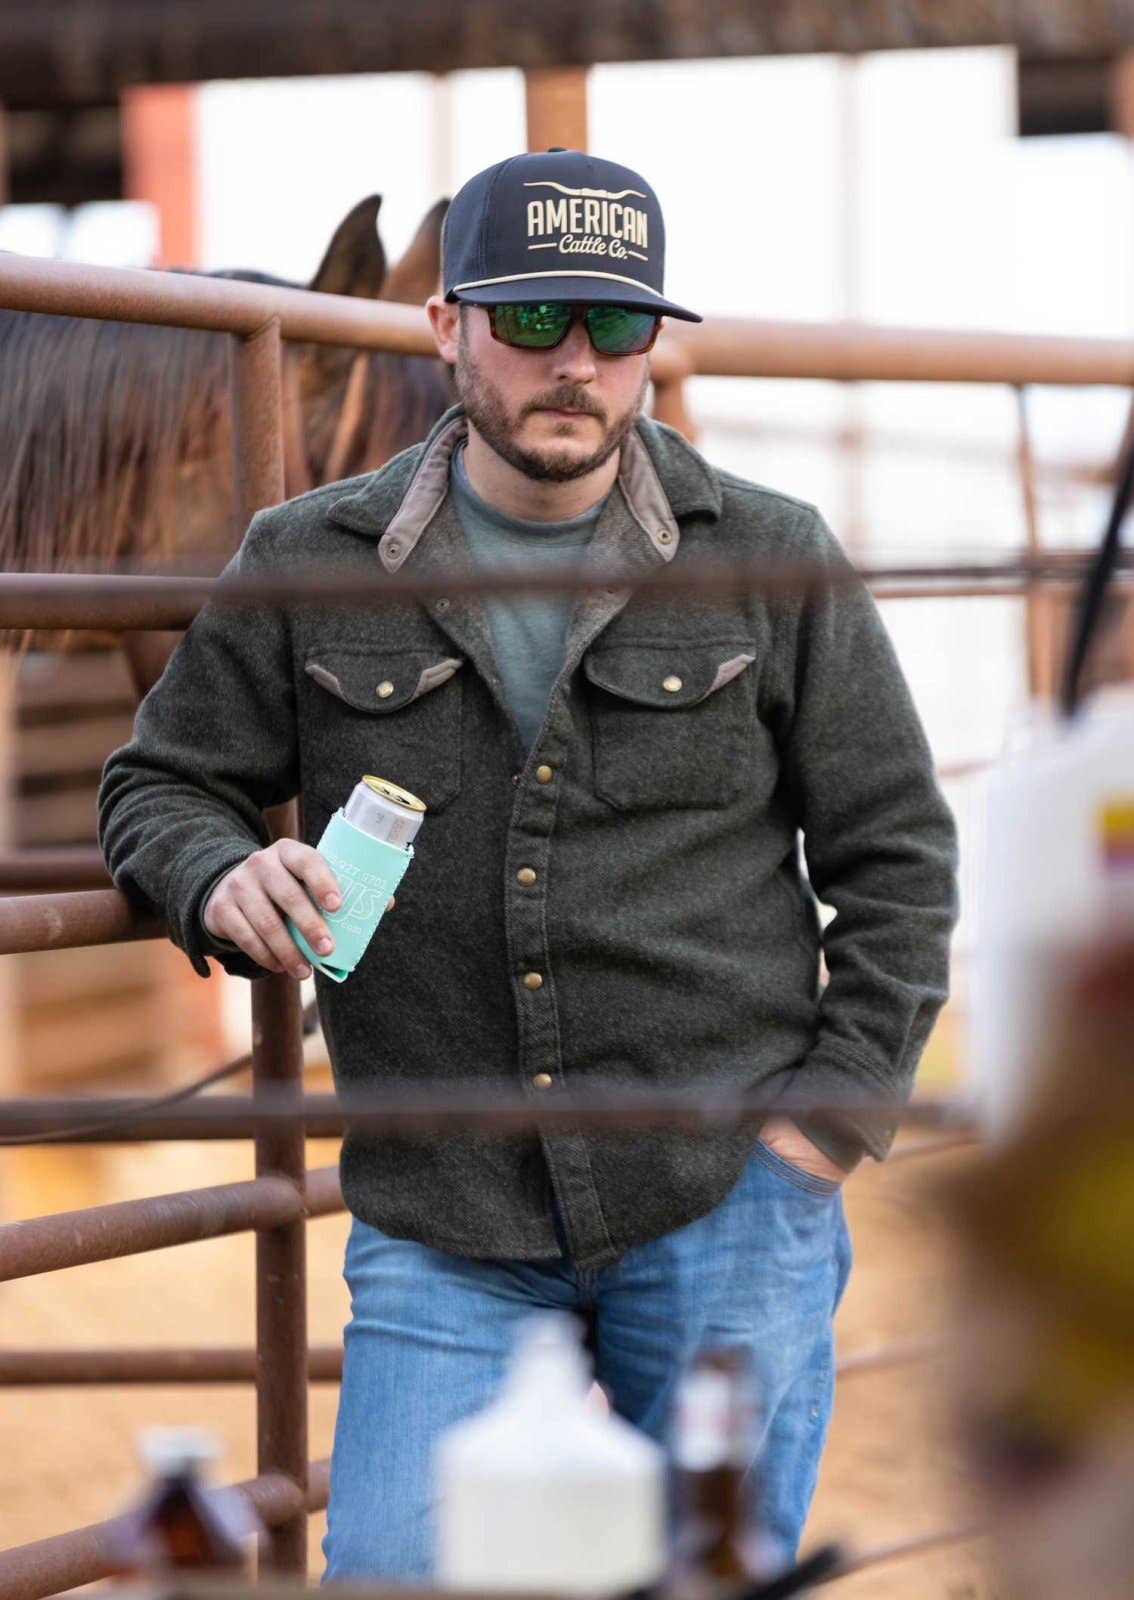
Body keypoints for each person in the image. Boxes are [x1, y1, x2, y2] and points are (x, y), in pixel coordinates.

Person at [96, 148, 960, 1581]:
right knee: (396, 1571)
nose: (576, 362)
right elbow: (159, 781)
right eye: (533, 317)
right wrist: (212, 874)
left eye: (615, 324)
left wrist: (821, 1132)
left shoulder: (770, 556)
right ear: (447, 326)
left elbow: (900, 853)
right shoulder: (309, 557)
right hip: (447, 1215)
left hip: (721, 1197)